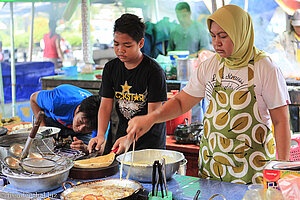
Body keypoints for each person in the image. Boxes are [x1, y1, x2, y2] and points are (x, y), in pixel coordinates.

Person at [126, 5, 291, 184]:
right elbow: (182, 103)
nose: (216, 42)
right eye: (213, 36)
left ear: (240, 33)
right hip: (213, 166)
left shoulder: (265, 68)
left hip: (252, 169)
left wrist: (282, 167)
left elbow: (280, 121)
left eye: (223, 36)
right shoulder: (210, 65)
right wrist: (152, 118)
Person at [87, 13, 167, 155]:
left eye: (127, 45)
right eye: (116, 44)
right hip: (121, 139)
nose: (120, 50)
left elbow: (153, 115)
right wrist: (100, 135)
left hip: (149, 143)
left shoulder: (154, 72)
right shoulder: (111, 68)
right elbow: (105, 105)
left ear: (141, 43)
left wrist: (130, 138)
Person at [30, 84, 100, 153]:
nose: (80, 128)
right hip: (53, 119)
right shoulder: (57, 101)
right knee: (44, 149)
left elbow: (100, 147)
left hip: (79, 124)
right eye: (81, 121)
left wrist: (86, 148)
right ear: (78, 109)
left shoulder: (100, 120)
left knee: (90, 151)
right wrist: (43, 127)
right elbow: (33, 98)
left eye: (87, 128)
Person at [270, 9, 300, 132]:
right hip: (292, 77)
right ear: (293, 24)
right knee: (293, 111)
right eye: (297, 25)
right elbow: (272, 45)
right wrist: (277, 48)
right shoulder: (286, 36)